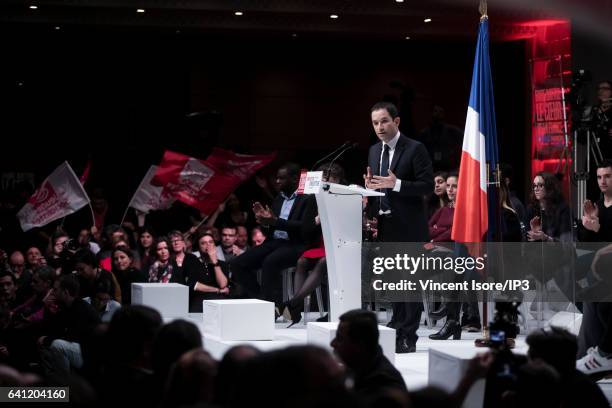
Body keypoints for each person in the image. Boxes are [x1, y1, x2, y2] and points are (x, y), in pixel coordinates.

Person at [364, 101, 434, 353]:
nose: (379, 127)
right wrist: (371, 198)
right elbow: (379, 186)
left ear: (397, 121)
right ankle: (395, 328)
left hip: (411, 228)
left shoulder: (416, 149)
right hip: (386, 225)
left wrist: (398, 184)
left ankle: (408, 336)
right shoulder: (374, 151)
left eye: (384, 121)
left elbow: (427, 186)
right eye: (375, 123)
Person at [230, 163, 318, 314]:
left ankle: (269, 309)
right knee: (237, 264)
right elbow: (272, 224)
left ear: (294, 179)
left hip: (296, 244)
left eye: (281, 178)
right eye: (277, 178)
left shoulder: (308, 198)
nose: (277, 181)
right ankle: (265, 303)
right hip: (274, 241)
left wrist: (275, 222)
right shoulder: (278, 198)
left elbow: (306, 227)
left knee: (270, 262)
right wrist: (264, 222)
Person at [331, 309, 407, 405]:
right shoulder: (357, 366)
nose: (332, 343)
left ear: (359, 345)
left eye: (340, 338)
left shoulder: (384, 389)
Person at [37, 274, 100, 376]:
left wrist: (46, 339)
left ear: (65, 292)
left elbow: (71, 337)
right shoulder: (66, 306)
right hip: (78, 349)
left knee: (57, 345)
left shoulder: (81, 308)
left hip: (90, 354)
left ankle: (66, 383)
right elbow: (54, 330)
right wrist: (48, 310)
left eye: (55, 290)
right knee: (45, 344)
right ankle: (53, 380)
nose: (52, 292)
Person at [189, 232, 230, 312]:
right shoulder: (193, 263)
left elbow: (222, 284)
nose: (208, 245)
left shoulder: (222, 264)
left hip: (219, 303)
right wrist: (217, 290)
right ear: (198, 247)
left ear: (215, 245)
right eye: (203, 243)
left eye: (211, 242)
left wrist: (214, 262)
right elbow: (195, 285)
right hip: (199, 303)